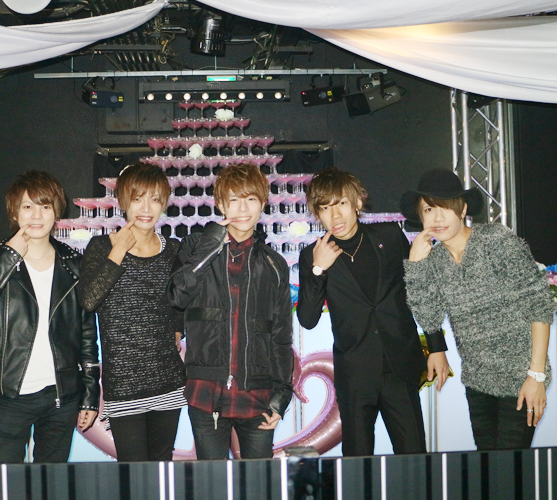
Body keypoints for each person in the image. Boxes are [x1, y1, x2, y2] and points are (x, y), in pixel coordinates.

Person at [297, 168, 449, 456]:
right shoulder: (312, 255)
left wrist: (437, 346)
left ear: (357, 202)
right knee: (357, 463)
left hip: (399, 367)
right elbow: (307, 319)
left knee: (414, 458)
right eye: (325, 208)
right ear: (317, 213)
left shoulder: (389, 236)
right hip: (355, 374)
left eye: (342, 203)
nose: (335, 215)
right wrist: (318, 270)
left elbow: (418, 293)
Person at [401, 168, 555, 450]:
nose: (437, 218)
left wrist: (536, 376)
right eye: (429, 209)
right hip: (478, 381)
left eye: (445, 207)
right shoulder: (434, 260)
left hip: (521, 377)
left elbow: (540, 307)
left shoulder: (497, 241)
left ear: (462, 210)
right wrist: (416, 267)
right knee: (487, 468)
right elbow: (429, 316)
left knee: (510, 468)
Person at [0, 170, 100, 463]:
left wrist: (89, 395)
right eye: (27, 206)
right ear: (14, 212)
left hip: (61, 395)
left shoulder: (74, 263)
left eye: (45, 206)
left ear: (56, 211)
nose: (36, 215)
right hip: (10, 394)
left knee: (52, 483)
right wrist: (11, 255)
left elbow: (87, 334)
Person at [167, 162, 293, 460]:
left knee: (260, 481)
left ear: (263, 202)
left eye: (251, 199)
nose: (243, 208)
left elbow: (280, 336)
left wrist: (281, 395)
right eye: (234, 199)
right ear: (221, 204)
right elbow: (177, 296)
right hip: (206, 391)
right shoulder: (195, 246)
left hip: (258, 393)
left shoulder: (274, 264)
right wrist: (210, 244)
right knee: (212, 482)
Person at [78, 162, 186, 462]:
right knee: (133, 474)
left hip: (167, 381)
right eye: (138, 199)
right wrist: (117, 252)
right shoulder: (102, 247)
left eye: (155, 199)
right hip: (124, 386)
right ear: (124, 202)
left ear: (164, 203)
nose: (146, 208)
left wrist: (178, 329)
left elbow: (180, 301)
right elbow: (88, 300)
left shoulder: (173, 249)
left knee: (162, 469)